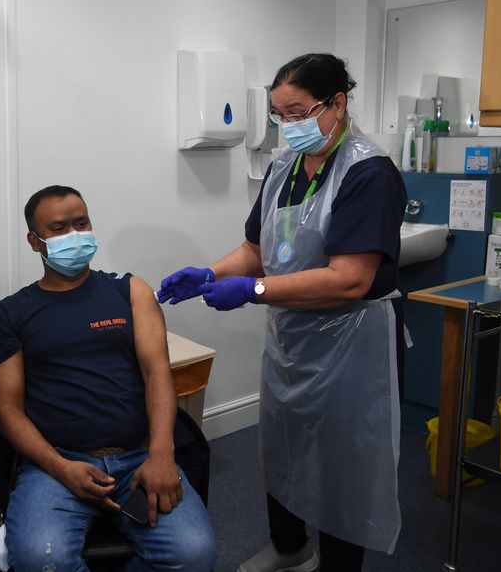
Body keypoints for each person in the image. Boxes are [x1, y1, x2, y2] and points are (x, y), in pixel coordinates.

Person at [158, 53, 406, 572]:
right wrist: (212, 273)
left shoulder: (368, 172)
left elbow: (350, 278)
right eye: (279, 115)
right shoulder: (284, 168)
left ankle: (337, 564)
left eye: (298, 112)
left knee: (342, 464)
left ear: (337, 103)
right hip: (294, 336)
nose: (288, 126)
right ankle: (290, 548)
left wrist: (253, 290)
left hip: (350, 342)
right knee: (283, 446)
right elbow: (256, 248)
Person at [0, 185, 217, 572]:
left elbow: (157, 371)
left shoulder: (130, 291)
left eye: (81, 223)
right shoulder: (10, 314)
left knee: (195, 556)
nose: (74, 235)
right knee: (43, 560)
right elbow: (8, 411)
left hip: (141, 455)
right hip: (55, 464)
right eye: (58, 229)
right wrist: (61, 468)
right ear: (35, 242)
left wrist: (161, 453)